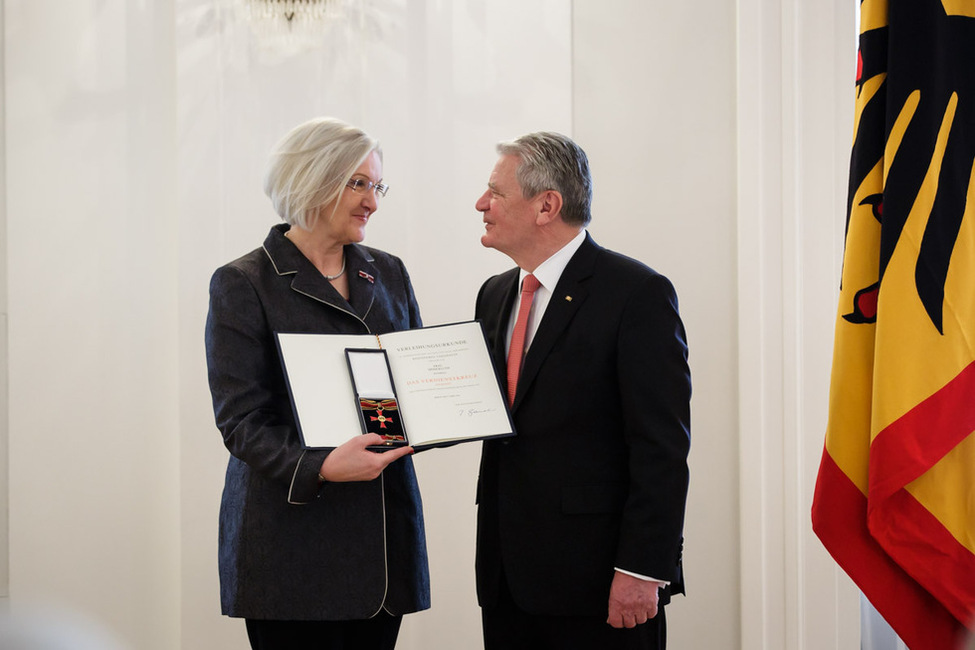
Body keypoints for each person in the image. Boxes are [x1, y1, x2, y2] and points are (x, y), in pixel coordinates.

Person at [204, 117, 429, 650]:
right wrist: (323, 466)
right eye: (358, 183)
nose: (372, 201)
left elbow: (411, 382)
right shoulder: (243, 281)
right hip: (291, 544)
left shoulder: (389, 271)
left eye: (377, 186)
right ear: (311, 179)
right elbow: (241, 420)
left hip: (382, 541)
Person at [472, 131, 691, 650]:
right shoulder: (495, 293)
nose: (482, 204)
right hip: (506, 580)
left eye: (496, 193)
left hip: (599, 582)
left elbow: (661, 447)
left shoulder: (636, 294)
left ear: (547, 205)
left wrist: (642, 568)